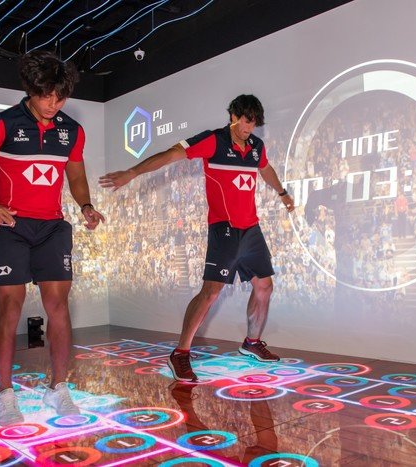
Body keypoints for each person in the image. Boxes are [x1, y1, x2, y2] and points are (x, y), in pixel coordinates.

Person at [100, 95, 294, 382]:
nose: (248, 128)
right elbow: (170, 154)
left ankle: (252, 343)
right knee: (211, 292)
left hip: (251, 229)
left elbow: (265, 168)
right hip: (224, 228)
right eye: (245, 121)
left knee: (264, 286)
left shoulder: (256, 147)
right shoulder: (213, 141)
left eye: (253, 123)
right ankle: (180, 353)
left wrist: (282, 192)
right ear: (233, 116)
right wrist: (132, 172)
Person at [0, 50, 105, 425]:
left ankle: (58, 388)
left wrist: (86, 205)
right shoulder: (1, 124)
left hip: (52, 228)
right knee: (10, 307)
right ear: (31, 90)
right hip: (9, 226)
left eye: (60, 97)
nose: (53, 104)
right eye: (46, 96)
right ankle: (5, 395)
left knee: (58, 307)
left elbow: (75, 175)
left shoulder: (73, 130)